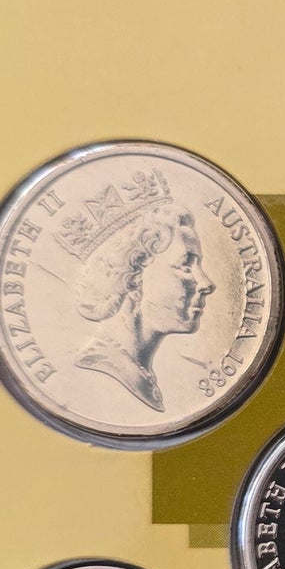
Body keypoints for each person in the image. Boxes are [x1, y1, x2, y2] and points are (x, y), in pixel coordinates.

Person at [59, 168, 215, 412]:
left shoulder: (141, 373)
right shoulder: (106, 370)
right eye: (186, 266)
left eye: (198, 266)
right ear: (133, 279)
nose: (206, 283)